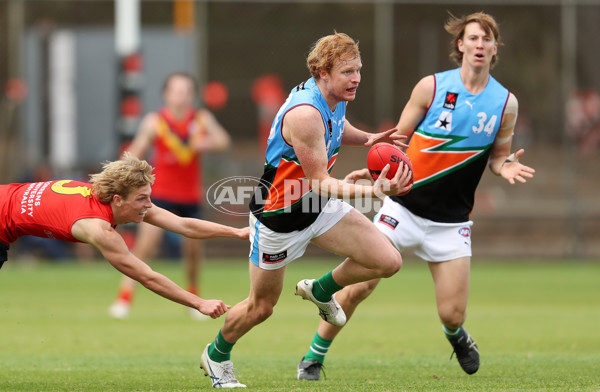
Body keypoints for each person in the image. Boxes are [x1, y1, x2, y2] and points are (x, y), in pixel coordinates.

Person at [295, 12, 536, 380]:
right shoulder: (433, 87)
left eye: (487, 39)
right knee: (362, 284)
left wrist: (506, 167)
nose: (480, 45)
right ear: (461, 44)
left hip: (452, 221)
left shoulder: (505, 103)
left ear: (494, 47)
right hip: (403, 208)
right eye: (473, 38)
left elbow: (499, 157)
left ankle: (456, 335)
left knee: (451, 314)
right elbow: (397, 140)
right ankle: (313, 357)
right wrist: (374, 172)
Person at [198, 32, 413, 389]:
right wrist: (371, 191)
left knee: (387, 261)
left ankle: (322, 290)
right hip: (279, 219)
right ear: (322, 72)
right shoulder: (304, 114)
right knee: (261, 307)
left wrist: (369, 139)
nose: (356, 78)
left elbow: (337, 127)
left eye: (358, 70)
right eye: (347, 71)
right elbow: (319, 181)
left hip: (316, 208)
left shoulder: (334, 98)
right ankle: (216, 354)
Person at [0, 153, 249, 320]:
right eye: (142, 199)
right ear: (118, 200)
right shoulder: (98, 228)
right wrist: (199, 303)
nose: (149, 205)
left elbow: (183, 225)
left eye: (149, 196)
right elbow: (147, 276)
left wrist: (236, 232)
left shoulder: (117, 199)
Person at [109, 71, 231, 320]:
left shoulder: (201, 119)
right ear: (166, 94)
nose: (181, 96)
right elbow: (135, 151)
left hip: (190, 197)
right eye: (176, 91)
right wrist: (119, 172)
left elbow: (223, 140)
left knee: (194, 253)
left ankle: (194, 299)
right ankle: (124, 298)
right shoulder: (155, 121)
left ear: (193, 95)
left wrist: (205, 143)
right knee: (146, 247)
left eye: (186, 91)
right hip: (159, 196)